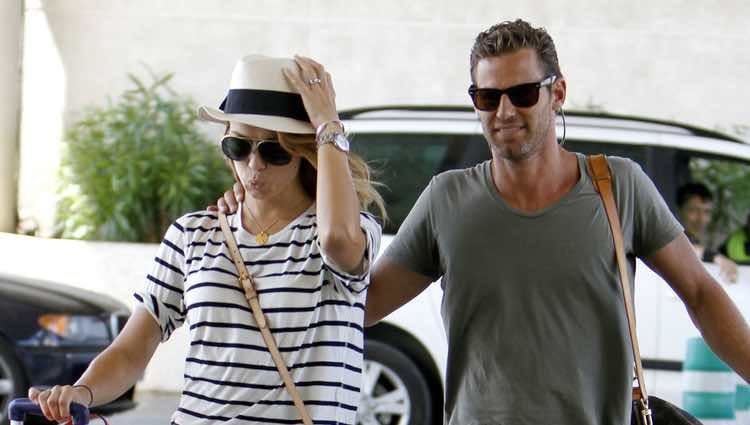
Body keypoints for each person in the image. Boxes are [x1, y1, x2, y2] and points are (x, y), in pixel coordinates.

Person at [219, 21, 750, 425]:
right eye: (486, 96)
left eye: (522, 94)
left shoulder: (618, 186)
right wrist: (261, 217)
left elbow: (701, 294)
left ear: (556, 93)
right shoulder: (449, 199)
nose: (504, 111)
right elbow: (353, 307)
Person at [29, 54, 384, 424]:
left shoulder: (348, 231)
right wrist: (82, 392)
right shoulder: (192, 233)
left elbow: (338, 240)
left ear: (304, 151)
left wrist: (329, 127)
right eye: (239, 147)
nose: (254, 165)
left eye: (274, 150)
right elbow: (134, 347)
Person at [677, 182, 738, 282]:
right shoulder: (668, 237)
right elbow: (684, 248)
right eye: (693, 210)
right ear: (679, 211)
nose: (701, 218)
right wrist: (717, 258)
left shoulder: (701, 239)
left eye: (706, 211)